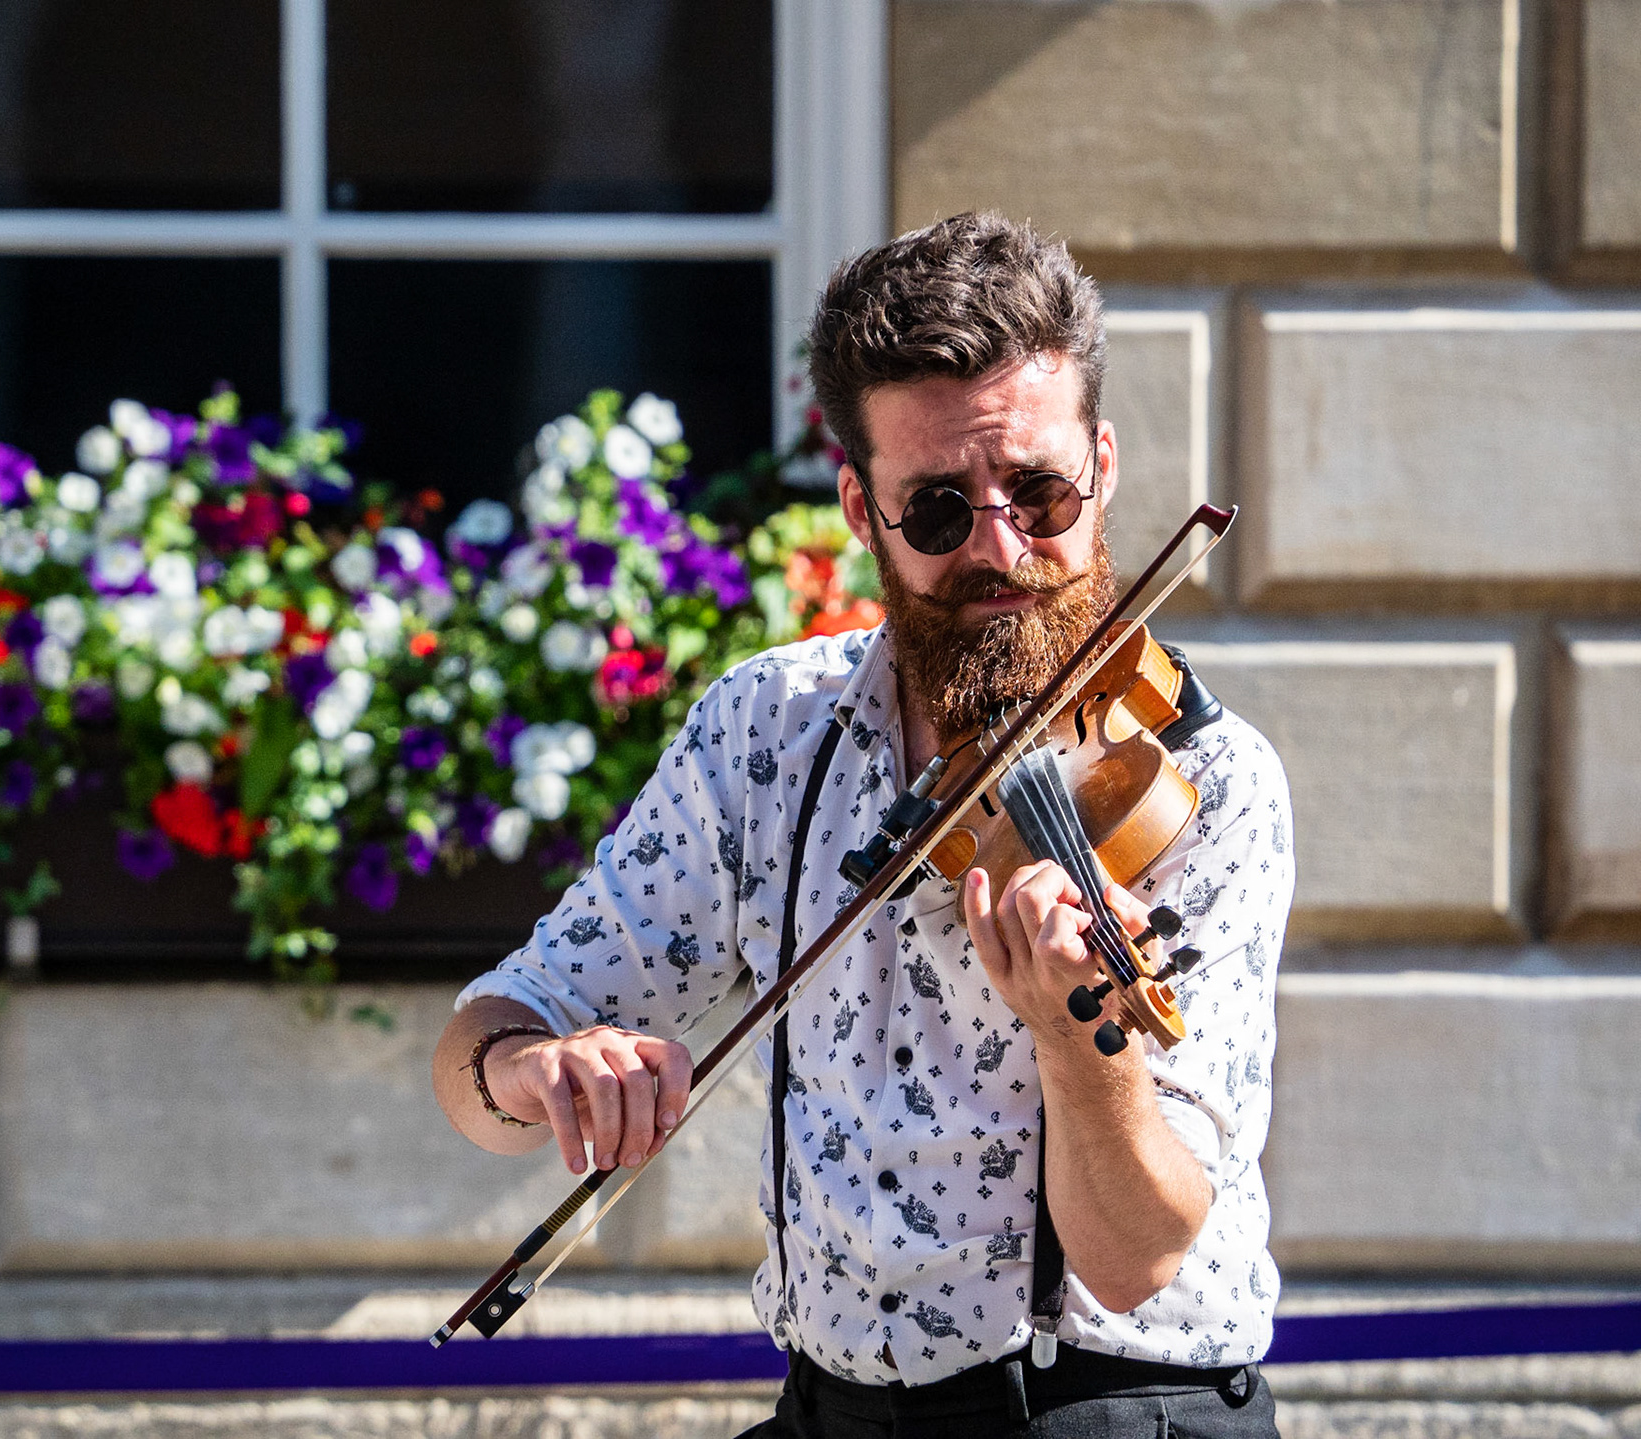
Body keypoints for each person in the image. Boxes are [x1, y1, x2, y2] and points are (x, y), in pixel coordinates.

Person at [433, 212, 1292, 1437]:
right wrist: (533, 1067)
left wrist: (1076, 1039)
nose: (1001, 545)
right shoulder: (768, 731)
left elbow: (1137, 1253)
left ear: (1102, 466)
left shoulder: (1203, 779)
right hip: (830, 1410)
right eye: (938, 509)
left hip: (1104, 1412)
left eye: (1040, 492)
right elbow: (484, 1044)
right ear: (860, 506)